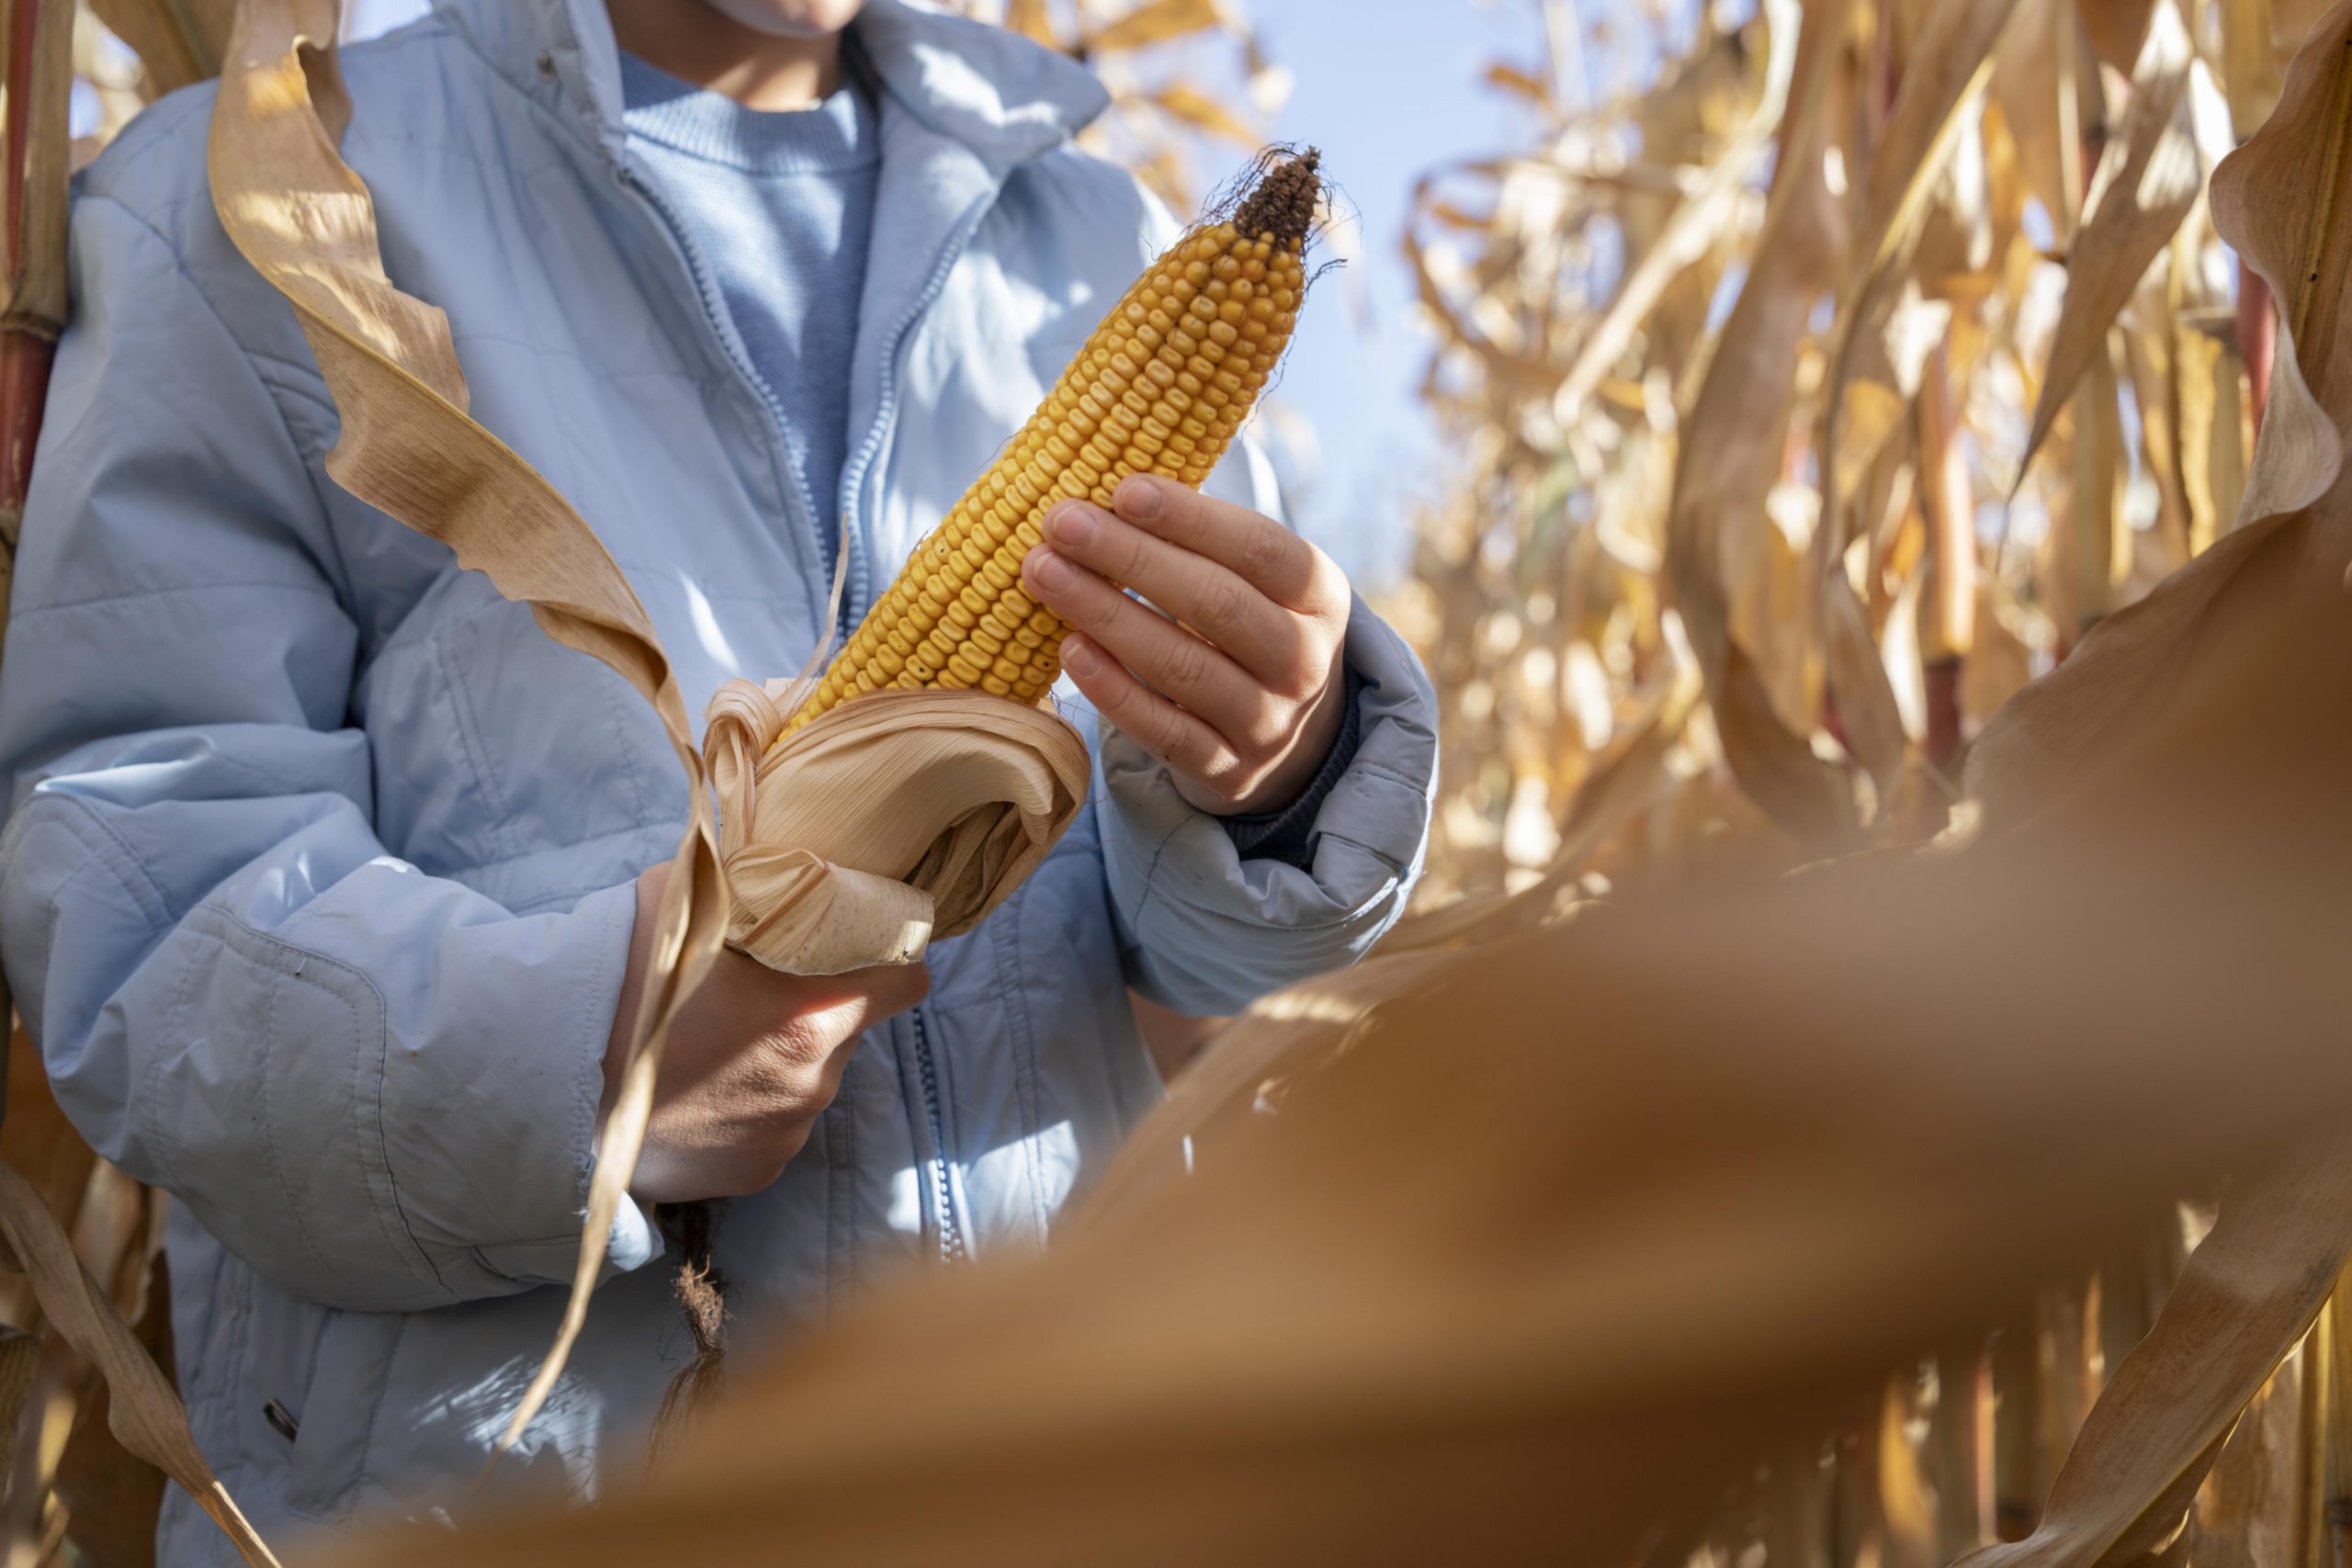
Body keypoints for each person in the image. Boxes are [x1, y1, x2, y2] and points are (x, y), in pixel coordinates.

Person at [0, 0, 1437, 1556]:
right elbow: (135, 891)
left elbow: (1189, 965)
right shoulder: (251, 205)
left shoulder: (1095, 235)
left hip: (1049, 1472)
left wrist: (1277, 774)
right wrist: (592, 1056)